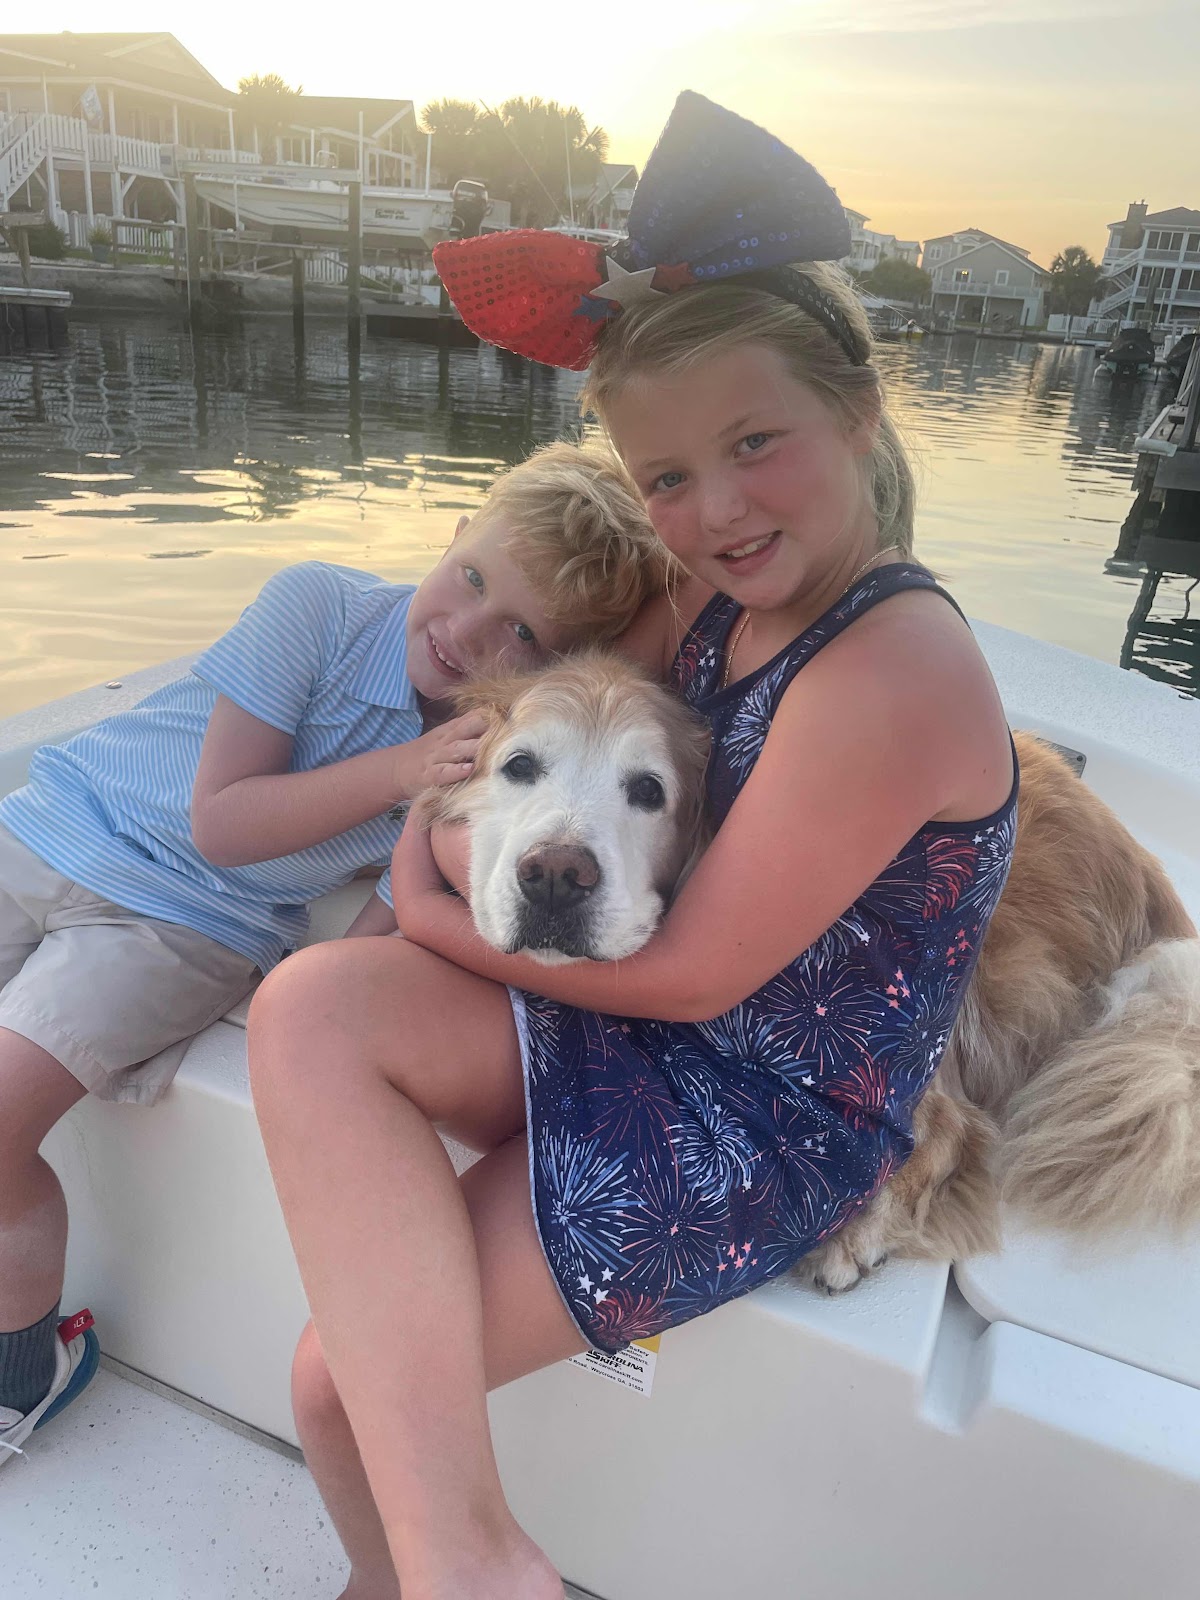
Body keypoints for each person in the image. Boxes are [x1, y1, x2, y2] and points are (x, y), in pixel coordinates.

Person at [248, 93, 1018, 1600]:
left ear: (860, 412)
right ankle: (448, 1569)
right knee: (307, 1006)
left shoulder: (893, 666)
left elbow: (690, 978)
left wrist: (423, 898)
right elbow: (559, 699)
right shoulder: (726, 592)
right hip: (650, 1023)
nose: (714, 509)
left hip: (768, 1107)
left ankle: (466, 1568)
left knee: (339, 1387)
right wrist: (454, 788)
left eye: (755, 443)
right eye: (665, 476)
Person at [0, 439, 666, 1468]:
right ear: (455, 533)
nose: (468, 632)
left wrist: (324, 1012)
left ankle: (21, 1373)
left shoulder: (494, 754)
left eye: (523, 633)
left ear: (556, 664)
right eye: (472, 577)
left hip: (181, 925)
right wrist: (400, 768)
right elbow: (222, 816)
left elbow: (373, 927)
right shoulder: (313, 604)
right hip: (46, 825)